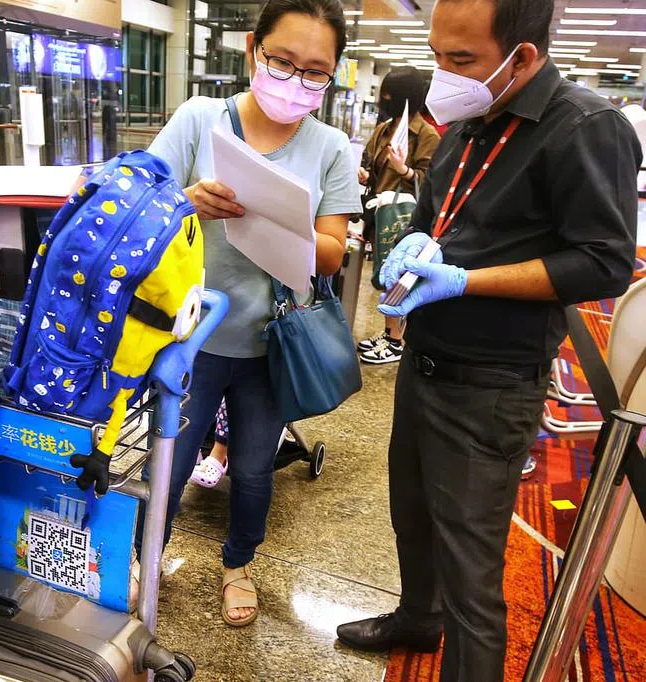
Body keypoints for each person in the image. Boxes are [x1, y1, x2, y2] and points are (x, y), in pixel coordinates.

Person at [336, 0, 641, 680]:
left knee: (470, 570)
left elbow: (603, 262)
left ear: (522, 57)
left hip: (492, 384)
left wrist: (467, 281)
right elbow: (438, 210)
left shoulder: (585, 127)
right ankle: (418, 619)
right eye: (436, 56)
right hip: (425, 359)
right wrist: (415, 240)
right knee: (412, 516)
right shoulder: (471, 120)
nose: (443, 75)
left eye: (461, 59)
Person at [136, 0, 361, 627]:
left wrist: (284, 221)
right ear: (253, 51)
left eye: (315, 71)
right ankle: (145, 557)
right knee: (170, 460)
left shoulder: (330, 147)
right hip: (192, 337)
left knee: (256, 468)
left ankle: (238, 565)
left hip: (271, 342)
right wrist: (187, 201)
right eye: (282, 61)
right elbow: (141, 205)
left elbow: (333, 250)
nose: (295, 81)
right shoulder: (200, 119)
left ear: (332, 74)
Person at [356, 67, 442, 365]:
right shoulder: (384, 129)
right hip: (381, 214)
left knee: (399, 278)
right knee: (385, 275)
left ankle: (396, 340)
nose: (384, 101)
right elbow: (372, 164)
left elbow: (430, 183)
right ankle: (389, 333)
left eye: (389, 96)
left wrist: (404, 170)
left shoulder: (426, 135)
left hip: (406, 219)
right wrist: (365, 173)